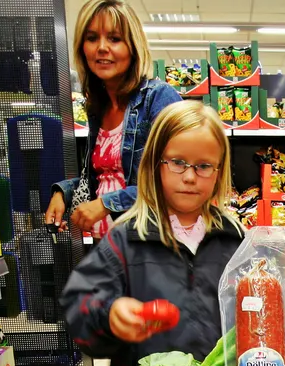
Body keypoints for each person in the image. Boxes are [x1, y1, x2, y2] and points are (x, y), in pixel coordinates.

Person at [61, 101, 243, 366]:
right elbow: (79, 306)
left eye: (203, 166)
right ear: (155, 164)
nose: (189, 177)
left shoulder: (236, 240)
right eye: (177, 162)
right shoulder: (125, 239)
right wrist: (109, 315)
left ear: (218, 172)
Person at [45, 0, 182, 238]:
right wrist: (63, 193)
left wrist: (106, 204)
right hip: (109, 245)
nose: (101, 47)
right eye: (91, 38)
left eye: (115, 39)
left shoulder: (158, 98)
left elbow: (176, 181)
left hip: (151, 245)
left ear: (133, 46)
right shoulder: (97, 107)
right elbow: (105, 180)